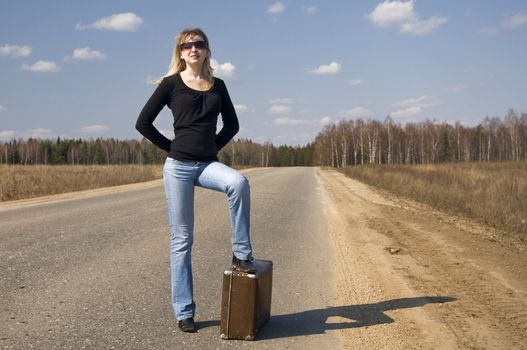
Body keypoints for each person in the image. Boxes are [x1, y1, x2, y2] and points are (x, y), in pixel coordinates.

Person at [135, 28, 256, 333]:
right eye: (186, 45)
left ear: (206, 51)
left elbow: (233, 124)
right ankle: (184, 310)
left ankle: (242, 254)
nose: (193, 49)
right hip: (177, 167)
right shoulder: (171, 84)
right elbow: (143, 123)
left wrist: (212, 147)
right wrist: (172, 149)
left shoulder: (218, 86)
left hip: (206, 165)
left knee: (238, 183)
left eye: (198, 44)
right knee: (182, 240)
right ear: (180, 52)